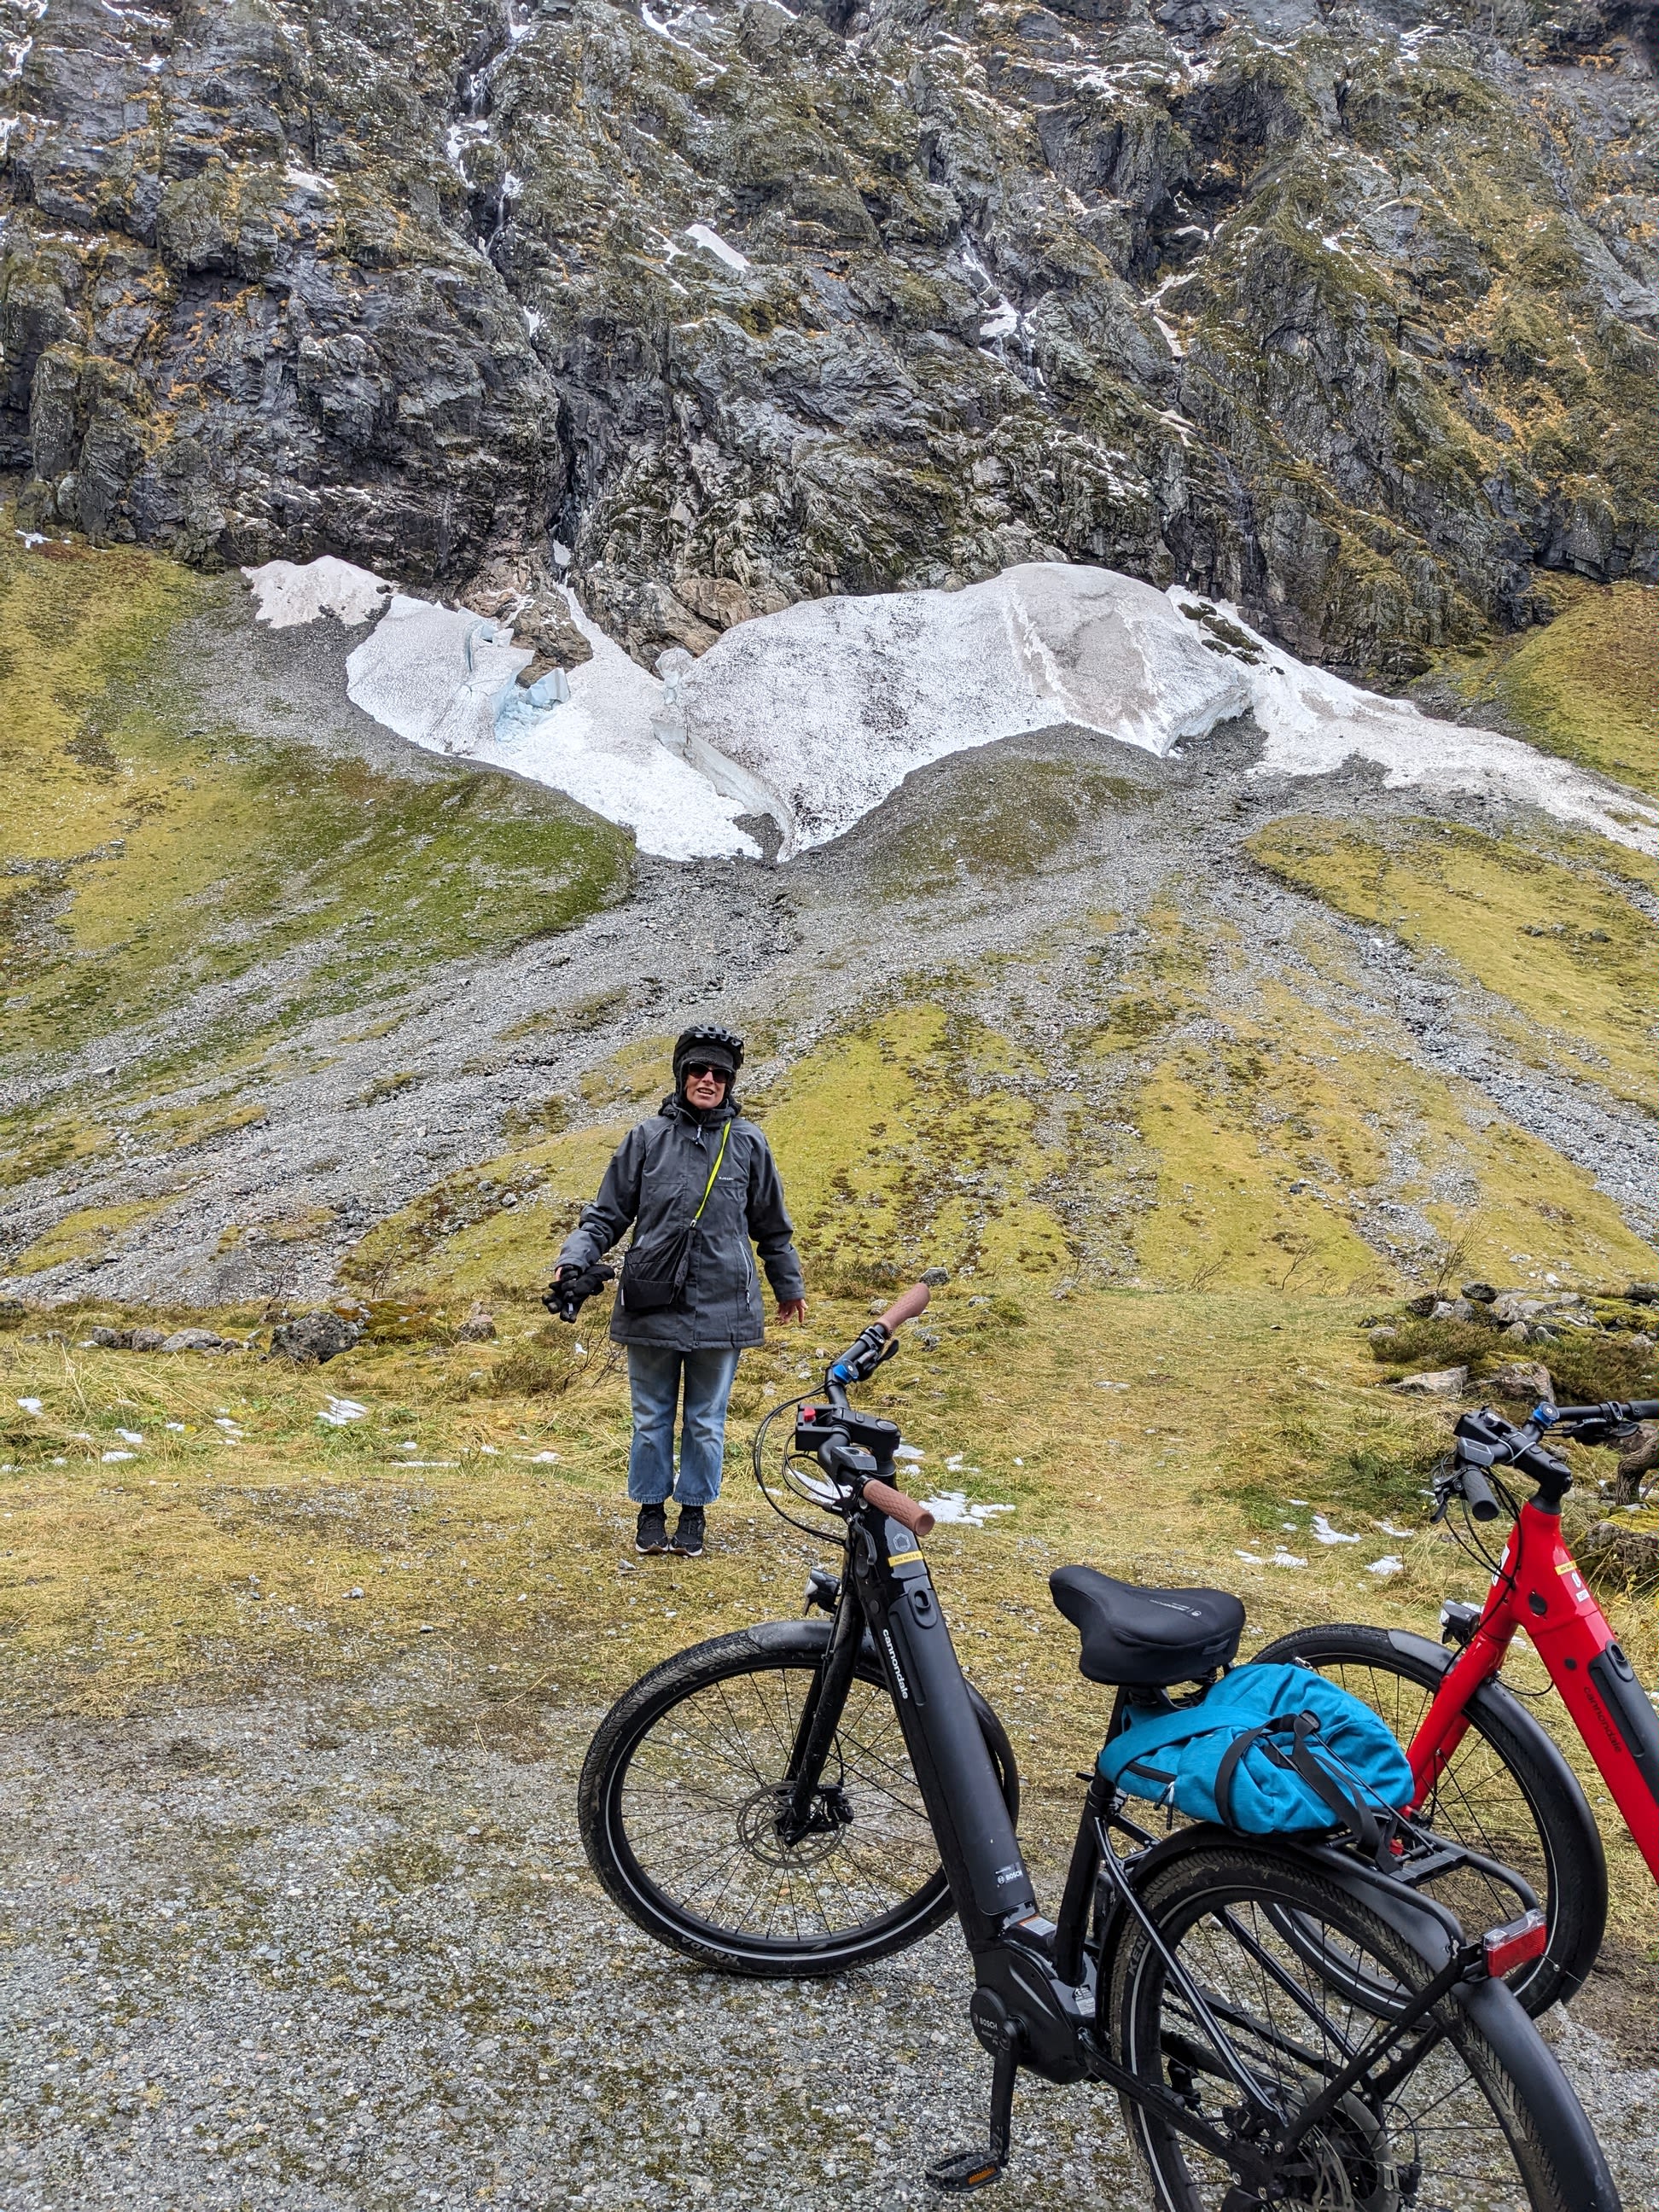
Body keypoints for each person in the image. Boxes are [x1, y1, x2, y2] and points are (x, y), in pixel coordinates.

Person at [551, 1023, 806, 1557]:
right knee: (651, 1417)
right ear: (681, 1074)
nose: (708, 1080)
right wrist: (574, 1260)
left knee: (706, 1420)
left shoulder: (749, 1143)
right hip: (650, 1301)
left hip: (724, 1305)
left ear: (731, 1082)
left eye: (719, 1073)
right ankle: (650, 1510)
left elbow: (772, 1228)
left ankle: (694, 1513)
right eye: (698, 1070)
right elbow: (605, 1216)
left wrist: (788, 1286)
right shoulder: (646, 1138)